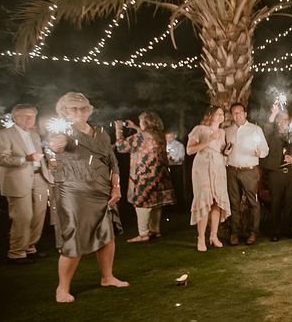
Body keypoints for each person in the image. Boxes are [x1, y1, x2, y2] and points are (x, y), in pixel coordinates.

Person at [48, 92, 128, 303]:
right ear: (64, 111)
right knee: (73, 237)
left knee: (106, 234)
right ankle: (62, 289)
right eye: (73, 109)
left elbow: (113, 162)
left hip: (101, 189)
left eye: (83, 108)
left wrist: (116, 187)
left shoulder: (101, 132)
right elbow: (54, 146)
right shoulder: (62, 131)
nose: (79, 112)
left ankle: (107, 277)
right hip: (73, 191)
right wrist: (55, 146)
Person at [0, 103, 52, 264]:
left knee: (38, 216)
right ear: (15, 117)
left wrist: (48, 165)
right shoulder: (1, 135)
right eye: (26, 116)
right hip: (18, 180)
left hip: (40, 179)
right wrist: (25, 159)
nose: (30, 119)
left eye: (33, 116)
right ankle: (17, 253)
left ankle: (30, 248)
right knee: (23, 217)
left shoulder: (34, 135)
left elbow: (40, 156)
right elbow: (0, 158)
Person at [114, 112, 175, 242]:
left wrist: (119, 130)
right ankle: (155, 230)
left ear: (146, 123)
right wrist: (135, 127)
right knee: (155, 203)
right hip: (159, 174)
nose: (140, 123)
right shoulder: (159, 136)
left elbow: (121, 147)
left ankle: (143, 234)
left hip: (145, 174)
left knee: (142, 203)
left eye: (141, 121)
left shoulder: (140, 137)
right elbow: (147, 136)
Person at [224, 102, 268, 245]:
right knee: (234, 203)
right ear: (232, 115)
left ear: (245, 113)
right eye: (234, 113)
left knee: (253, 202)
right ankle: (234, 233)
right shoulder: (228, 131)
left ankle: (253, 233)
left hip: (249, 170)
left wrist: (259, 153)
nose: (237, 115)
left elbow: (265, 150)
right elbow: (224, 150)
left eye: (240, 112)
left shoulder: (255, 130)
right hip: (232, 170)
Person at [187, 105, 230, 252]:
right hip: (202, 166)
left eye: (222, 114)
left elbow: (221, 150)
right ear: (210, 115)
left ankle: (213, 236)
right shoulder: (199, 129)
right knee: (204, 200)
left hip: (218, 167)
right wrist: (209, 140)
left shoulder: (223, 132)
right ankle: (200, 238)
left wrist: (227, 152)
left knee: (216, 202)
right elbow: (190, 150)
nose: (221, 116)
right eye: (218, 113)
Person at [262, 104, 292, 241]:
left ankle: (286, 229)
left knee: (289, 202)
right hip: (275, 172)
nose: (284, 121)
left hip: (290, 171)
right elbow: (267, 128)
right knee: (276, 202)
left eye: (286, 119)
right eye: (281, 119)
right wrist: (273, 114)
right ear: (277, 120)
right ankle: (274, 231)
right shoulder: (271, 132)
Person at [165, 131, 187, 213]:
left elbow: (181, 158)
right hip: (167, 168)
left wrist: (172, 158)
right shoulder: (164, 145)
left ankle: (180, 208)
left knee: (177, 187)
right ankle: (169, 208)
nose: (168, 139)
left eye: (170, 137)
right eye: (167, 137)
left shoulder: (179, 145)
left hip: (176, 168)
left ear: (175, 136)